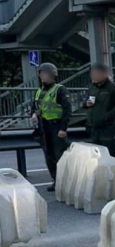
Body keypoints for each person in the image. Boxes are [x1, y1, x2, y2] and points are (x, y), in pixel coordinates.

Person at [31, 63, 71, 191]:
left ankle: (66, 181)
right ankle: (55, 179)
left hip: (56, 126)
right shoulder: (39, 91)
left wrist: (63, 128)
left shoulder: (60, 89)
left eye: (45, 74)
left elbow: (67, 110)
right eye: (41, 74)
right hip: (44, 127)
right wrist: (33, 114)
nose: (43, 76)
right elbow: (34, 107)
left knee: (59, 155)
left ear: (53, 75)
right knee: (48, 155)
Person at [85, 63, 115, 184]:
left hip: (109, 128)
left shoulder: (113, 88)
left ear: (104, 74)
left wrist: (106, 116)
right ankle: (104, 184)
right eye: (92, 73)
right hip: (94, 128)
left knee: (114, 156)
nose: (94, 75)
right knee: (98, 159)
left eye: (96, 73)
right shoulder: (92, 87)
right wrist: (86, 104)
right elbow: (86, 101)